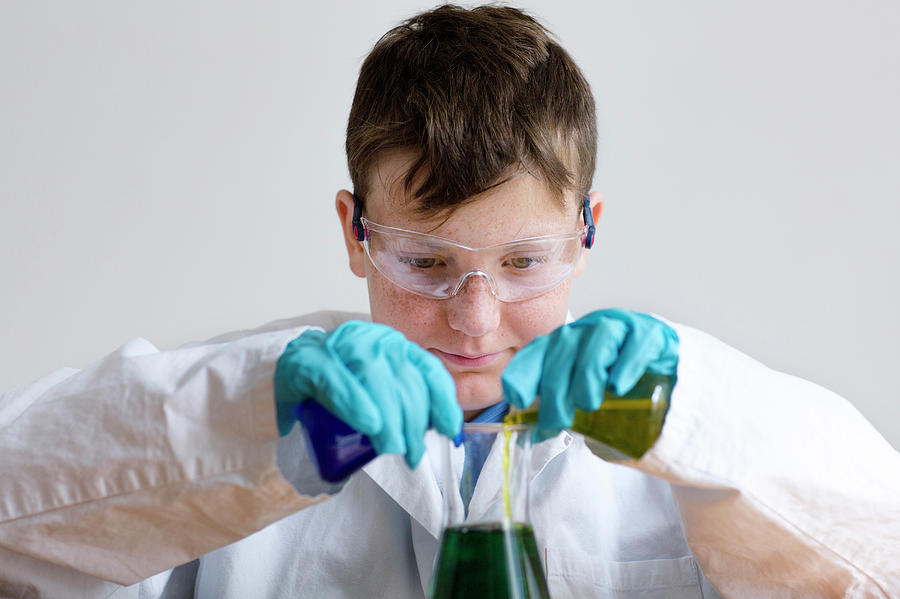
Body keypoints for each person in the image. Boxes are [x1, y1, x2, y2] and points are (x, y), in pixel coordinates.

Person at [1, 4, 898, 598]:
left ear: (587, 231)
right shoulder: (268, 413)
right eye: (426, 263)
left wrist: (695, 410)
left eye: (523, 261)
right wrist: (244, 426)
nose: (475, 318)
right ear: (356, 232)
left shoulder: (669, 461)